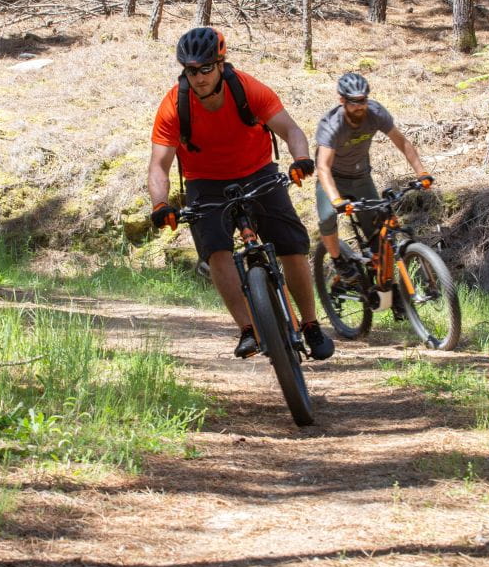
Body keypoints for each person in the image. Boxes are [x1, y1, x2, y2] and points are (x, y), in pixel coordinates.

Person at [148, 27, 334, 361]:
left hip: (258, 171)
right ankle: (249, 328)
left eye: (206, 68)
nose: (200, 77)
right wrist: (160, 204)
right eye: (192, 71)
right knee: (217, 252)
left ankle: (309, 324)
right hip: (205, 182)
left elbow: (291, 130)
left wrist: (301, 158)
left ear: (220, 64)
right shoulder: (174, 106)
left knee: (291, 247)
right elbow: (159, 165)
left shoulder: (248, 89)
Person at [314, 72, 434, 287]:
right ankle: (338, 261)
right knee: (326, 217)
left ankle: (386, 288)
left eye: (363, 101)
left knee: (379, 234)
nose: (360, 106)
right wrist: (336, 200)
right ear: (342, 100)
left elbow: (401, 141)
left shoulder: (375, 112)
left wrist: (421, 173)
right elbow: (323, 167)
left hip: (361, 177)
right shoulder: (331, 124)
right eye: (354, 102)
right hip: (333, 179)